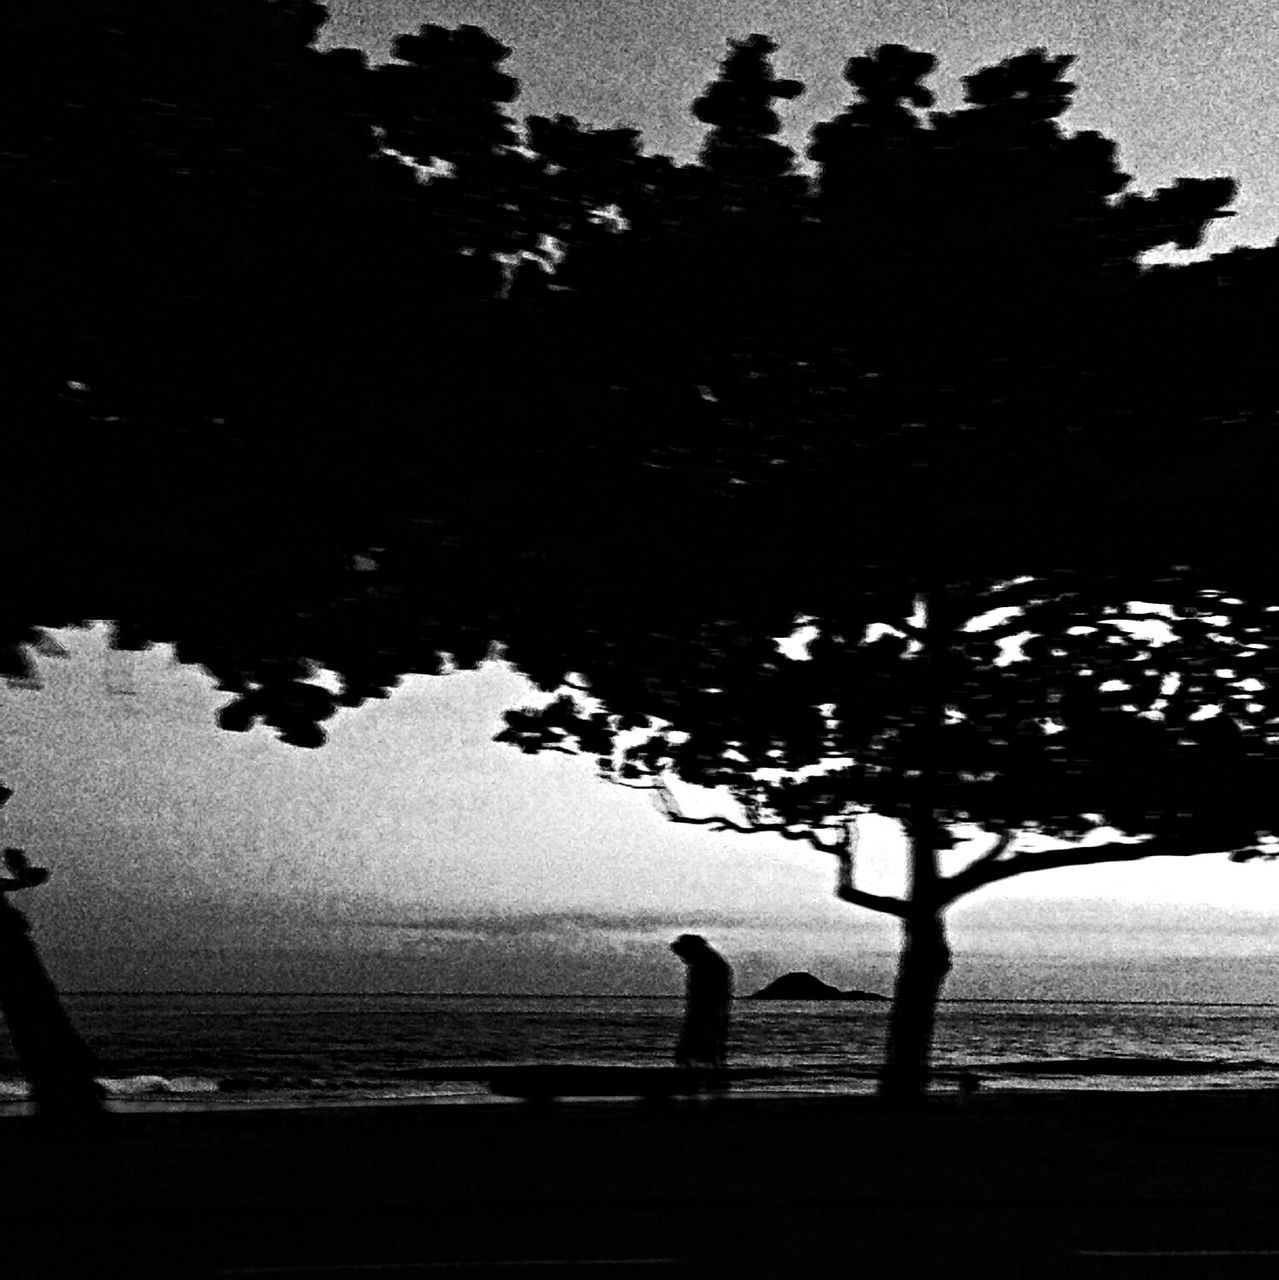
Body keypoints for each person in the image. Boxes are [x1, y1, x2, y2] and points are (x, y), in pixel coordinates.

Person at [670, 934, 733, 1070]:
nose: (683, 959)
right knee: (710, 1040)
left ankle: (699, 1069)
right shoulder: (707, 961)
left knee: (702, 1038)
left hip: (707, 1006)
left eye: (682, 955)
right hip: (710, 1006)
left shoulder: (707, 963)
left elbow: (706, 991)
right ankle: (711, 1068)